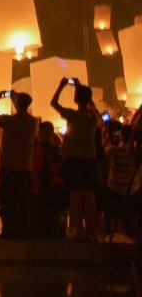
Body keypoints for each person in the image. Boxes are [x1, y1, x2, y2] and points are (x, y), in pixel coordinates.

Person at [53, 78, 101, 241]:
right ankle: (91, 230)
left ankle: (77, 230)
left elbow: (54, 103)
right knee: (89, 195)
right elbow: (94, 108)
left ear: (75, 98)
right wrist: (81, 87)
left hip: (73, 159)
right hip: (89, 159)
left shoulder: (72, 115)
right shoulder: (93, 117)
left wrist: (61, 86)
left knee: (75, 196)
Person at [0, 90, 38, 238]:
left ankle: (9, 230)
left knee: (7, 200)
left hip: (8, 166)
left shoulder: (8, 121)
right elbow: (21, 112)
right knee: (23, 201)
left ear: (16, 104)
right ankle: (24, 231)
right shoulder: (33, 122)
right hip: (25, 166)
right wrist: (15, 99)